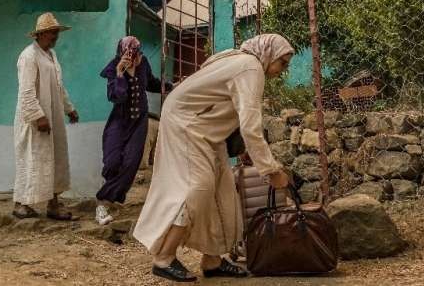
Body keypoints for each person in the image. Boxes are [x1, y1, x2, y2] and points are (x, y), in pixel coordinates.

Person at [133, 34, 295, 282]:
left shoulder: (238, 59)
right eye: (282, 63)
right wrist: (271, 170)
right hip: (187, 124)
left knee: (223, 190)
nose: (283, 70)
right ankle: (164, 258)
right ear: (268, 53)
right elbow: (251, 126)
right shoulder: (251, 68)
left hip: (205, 129)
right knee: (198, 187)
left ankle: (213, 260)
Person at [95, 36, 171, 225]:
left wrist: (170, 86)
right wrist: (120, 73)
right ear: (121, 51)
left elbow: (151, 83)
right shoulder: (114, 67)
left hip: (139, 123)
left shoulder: (143, 63)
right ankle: (111, 190)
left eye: (135, 51)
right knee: (112, 161)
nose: (132, 55)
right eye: (128, 51)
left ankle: (102, 203)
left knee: (130, 164)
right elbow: (116, 97)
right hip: (119, 121)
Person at [12, 12, 80, 220]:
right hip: (35, 120)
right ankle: (21, 204)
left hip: (54, 116)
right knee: (32, 159)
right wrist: (37, 116)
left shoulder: (51, 56)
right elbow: (26, 91)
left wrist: (69, 108)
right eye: (52, 33)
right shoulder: (29, 56)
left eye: (56, 33)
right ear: (40, 34)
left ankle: (53, 205)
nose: (56, 37)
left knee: (55, 160)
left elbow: (59, 86)